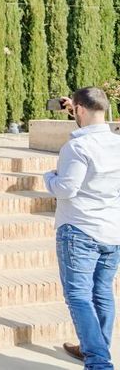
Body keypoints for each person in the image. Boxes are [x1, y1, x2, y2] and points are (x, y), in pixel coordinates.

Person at [43, 87, 120, 368]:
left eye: (74, 109)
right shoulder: (117, 143)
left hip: (80, 230)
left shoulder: (77, 147)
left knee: (78, 296)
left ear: (81, 110)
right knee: (102, 292)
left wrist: (48, 177)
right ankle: (96, 346)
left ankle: (98, 361)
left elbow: (66, 189)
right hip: (112, 230)